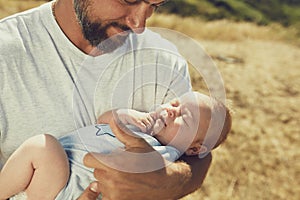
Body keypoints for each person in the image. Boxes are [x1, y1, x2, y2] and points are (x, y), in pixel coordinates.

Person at [0, 0, 215, 199]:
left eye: (154, 6)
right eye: (128, 0)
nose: (139, 24)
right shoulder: (6, 53)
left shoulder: (165, 60)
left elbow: (196, 153)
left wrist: (173, 181)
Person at [0, 91, 232, 199]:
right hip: (47, 180)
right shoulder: (141, 122)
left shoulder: (164, 156)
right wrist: (123, 114)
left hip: (65, 187)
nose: (171, 111)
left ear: (194, 149)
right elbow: (103, 121)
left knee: (44, 146)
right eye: (174, 103)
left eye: (185, 117)